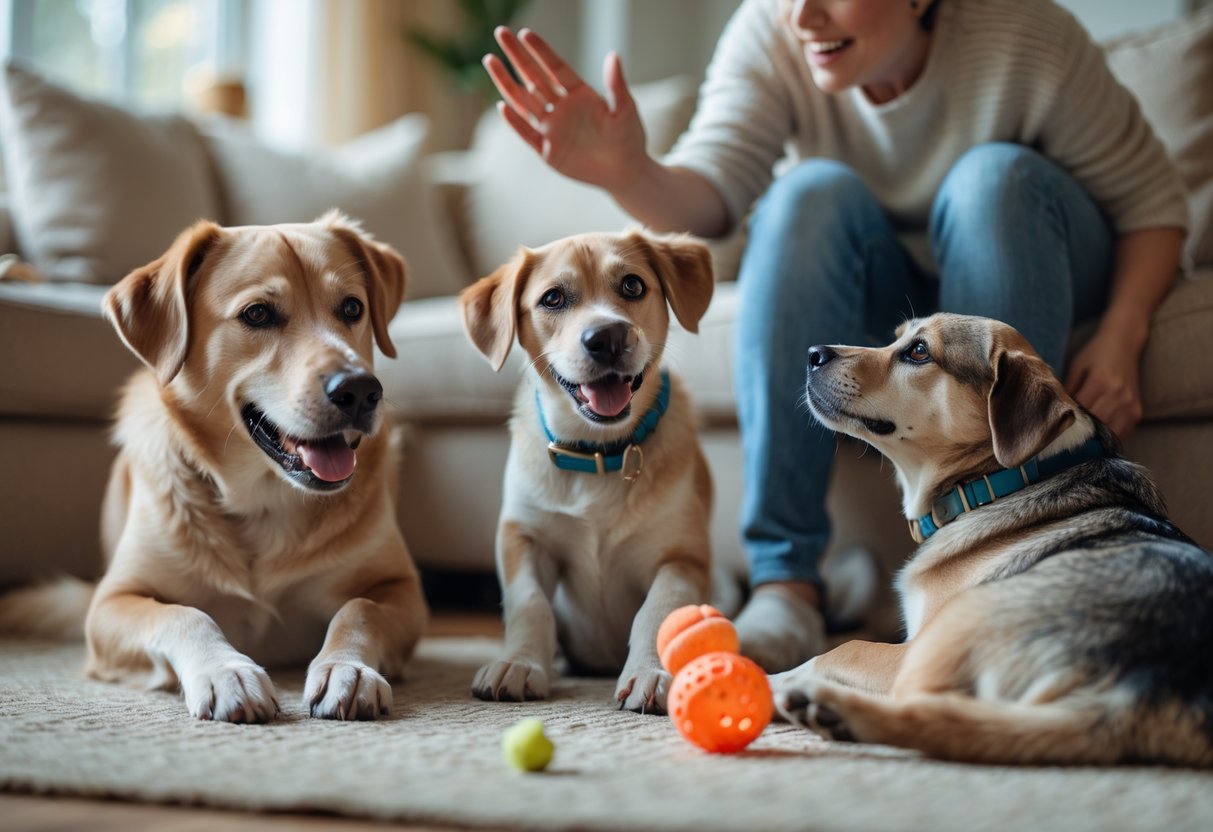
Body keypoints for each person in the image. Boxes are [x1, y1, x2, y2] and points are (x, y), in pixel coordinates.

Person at [482, 0, 1189, 672]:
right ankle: (786, 585)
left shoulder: (1025, 33)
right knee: (803, 193)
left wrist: (1122, 334)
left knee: (990, 178)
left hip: (1029, 246)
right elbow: (712, 196)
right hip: (895, 303)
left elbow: (1153, 206)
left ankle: (1000, 561)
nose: (800, 15)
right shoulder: (773, 30)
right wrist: (627, 170)